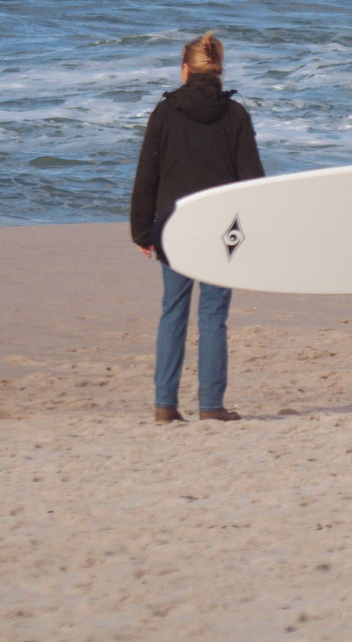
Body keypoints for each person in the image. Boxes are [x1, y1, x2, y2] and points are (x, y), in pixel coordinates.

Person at [131, 31, 265, 424]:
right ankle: (210, 405)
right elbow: (252, 180)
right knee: (212, 315)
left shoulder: (165, 112)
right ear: (218, 71)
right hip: (222, 230)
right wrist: (253, 230)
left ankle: (165, 404)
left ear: (185, 70)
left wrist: (142, 231)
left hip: (175, 224)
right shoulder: (236, 115)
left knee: (172, 311)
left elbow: (147, 175)